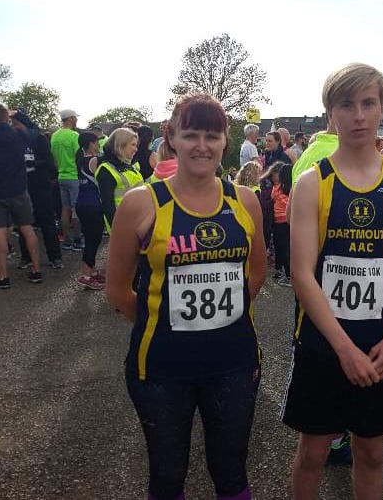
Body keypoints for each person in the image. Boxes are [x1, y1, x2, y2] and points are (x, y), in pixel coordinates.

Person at [106, 92, 266, 500]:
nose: (201, 145)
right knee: (167, 475)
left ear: (225, 142)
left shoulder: (245, 200)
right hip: (161, 366)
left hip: (233, 360)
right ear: (172, 138)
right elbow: (118, 289)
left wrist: (216, 323)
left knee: (232, 474)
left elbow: (257, 273)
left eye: (211, 136)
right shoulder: (142, 202)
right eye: (191, 134)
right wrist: (163, 321)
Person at [282, 63, 383, 500]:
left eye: (368, 103)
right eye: (347, 104)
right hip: (324, 344)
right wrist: (344, 350)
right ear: (331, 114)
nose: (359, 115)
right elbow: (302, 274)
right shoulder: (312, 182)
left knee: (373, 454)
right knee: (313, 453)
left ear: (382, 111)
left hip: (381, 344)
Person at [0, 104, 43, 287]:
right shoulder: (18, 135)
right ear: (5, 116)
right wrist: (20, 114)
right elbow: (35, 130)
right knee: (27, 228)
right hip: (19, 190)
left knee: (0, 232)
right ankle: (36, 270)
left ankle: (2, 276)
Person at [13, 112, 62, 270]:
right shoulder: (13, 139)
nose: (13, 127)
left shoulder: (39, 138)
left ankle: (55, 257)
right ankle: (26, 257)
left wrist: (33, 162)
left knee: (47, 222)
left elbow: (49, 162)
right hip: (22, 188)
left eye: (15, 123)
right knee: (24, 224)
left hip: (41, 186)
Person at [94, 127, 144, 233]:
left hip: (137, 222)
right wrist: (118, 230)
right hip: (123, 227)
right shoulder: (106, 170)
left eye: (136, 145)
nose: (136, 149)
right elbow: (107, 204)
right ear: (121, 145)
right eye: (133, 145)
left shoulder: (129, 165)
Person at [75, 131, 105, 290]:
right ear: (92, 143)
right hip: (93, 205)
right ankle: (85, 275)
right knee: (94, 240)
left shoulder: (79, 159)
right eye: (96, 141)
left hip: (82, 203)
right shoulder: (95, 160)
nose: (98, 144)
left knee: (90, 238)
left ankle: (91, 272)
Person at [50, 108, 83, 250]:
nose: (76, 120)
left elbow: (54, 158)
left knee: (65, 209)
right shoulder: (74, 135)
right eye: (75, 117)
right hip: (74, 176)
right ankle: (77, 239)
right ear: (70, 118)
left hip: (61, 175)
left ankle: (67, 240)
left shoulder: (55, 136)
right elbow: (79, 157)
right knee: (76, 209)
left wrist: (59, 171)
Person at [271, 163, 292, 287]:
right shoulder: (293, 187)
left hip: (279, 220)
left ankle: (288, 276)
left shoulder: (278, 188)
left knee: (283, 248)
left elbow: (273, 197)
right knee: (289, 247)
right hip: (290, 219)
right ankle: (289, 273)